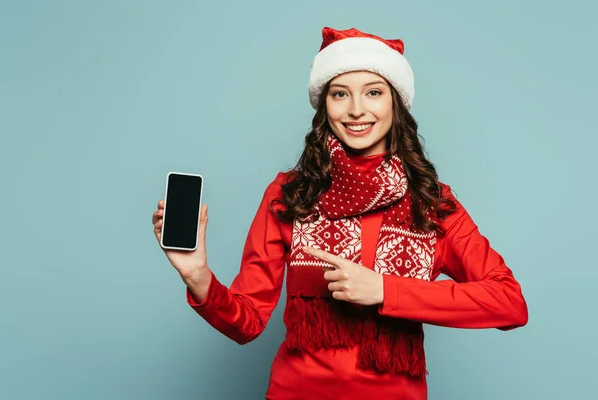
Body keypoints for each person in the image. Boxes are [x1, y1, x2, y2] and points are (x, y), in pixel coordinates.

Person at [151, 27, 528, 400]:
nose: (356, 110)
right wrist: (198, 276)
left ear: (395, 103)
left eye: (374, 92)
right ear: (324, 105)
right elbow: (246, 322)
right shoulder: (289, 195)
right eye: (340, 94)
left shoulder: (431, 203)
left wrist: (385, 290)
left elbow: (509, 303)